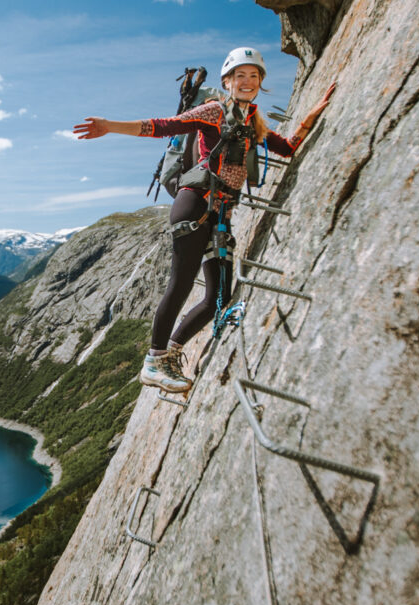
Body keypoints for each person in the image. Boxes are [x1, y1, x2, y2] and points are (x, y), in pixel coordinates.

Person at [73, 47, 335, 394]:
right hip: (194, 205)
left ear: (260, 83)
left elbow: (286, 148)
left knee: (218, 296)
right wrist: (110, 126)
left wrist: (314, 114)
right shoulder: (214, 111)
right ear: (227, 81)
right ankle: (153, 361)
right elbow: (163, 126)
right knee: (181, 284)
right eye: (239, 76)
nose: (247, 82)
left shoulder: (253, 122)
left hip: (218, 216)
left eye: (254, 76)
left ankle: (172, 352)